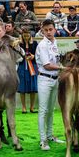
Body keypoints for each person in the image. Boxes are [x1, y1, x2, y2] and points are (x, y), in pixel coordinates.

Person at [35, 19, 64, 150]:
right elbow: (47, 65)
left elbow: (55, 61)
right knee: (43, 111)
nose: (48, 32)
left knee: (51, 110)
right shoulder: (42, 45)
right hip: (44, 79)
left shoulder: (54, 42)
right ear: (42, 31)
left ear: (54, 30)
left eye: (50, 29)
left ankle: (49, 135)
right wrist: (62, 68)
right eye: (45, 30)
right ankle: (43, 140)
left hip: (54, 79)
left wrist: (60, 68)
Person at [16, 28, 39, 113]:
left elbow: (39, 55)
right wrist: (23, 57)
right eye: (24, 35)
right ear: (22, 35)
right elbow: (17, 55)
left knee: (33, 87)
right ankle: (23, 107)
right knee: (22, 87)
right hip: (22, 66)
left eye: (27, 35)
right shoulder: (19, 44)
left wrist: (33, 56)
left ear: (30, 35)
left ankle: (32, 107)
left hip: (33, 66)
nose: (26, 37)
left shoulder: (35, 43)